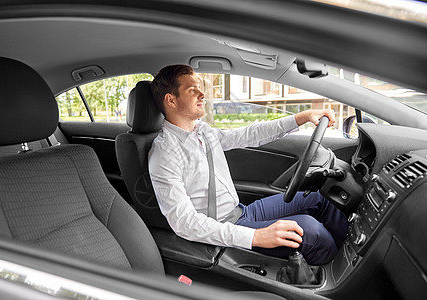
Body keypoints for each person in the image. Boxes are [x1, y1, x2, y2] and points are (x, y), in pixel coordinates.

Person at [148, 64, 348, 265]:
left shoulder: (202, 130)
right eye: (192, 90)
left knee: (319, 198)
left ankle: (353, 258)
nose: (202, 94)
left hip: (242, 211)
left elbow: (247, 135)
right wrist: (257, 236)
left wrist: (301, 118)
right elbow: (184, 223)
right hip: (223, 227)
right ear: (171, 100)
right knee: (310, 232)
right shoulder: (164, 154)